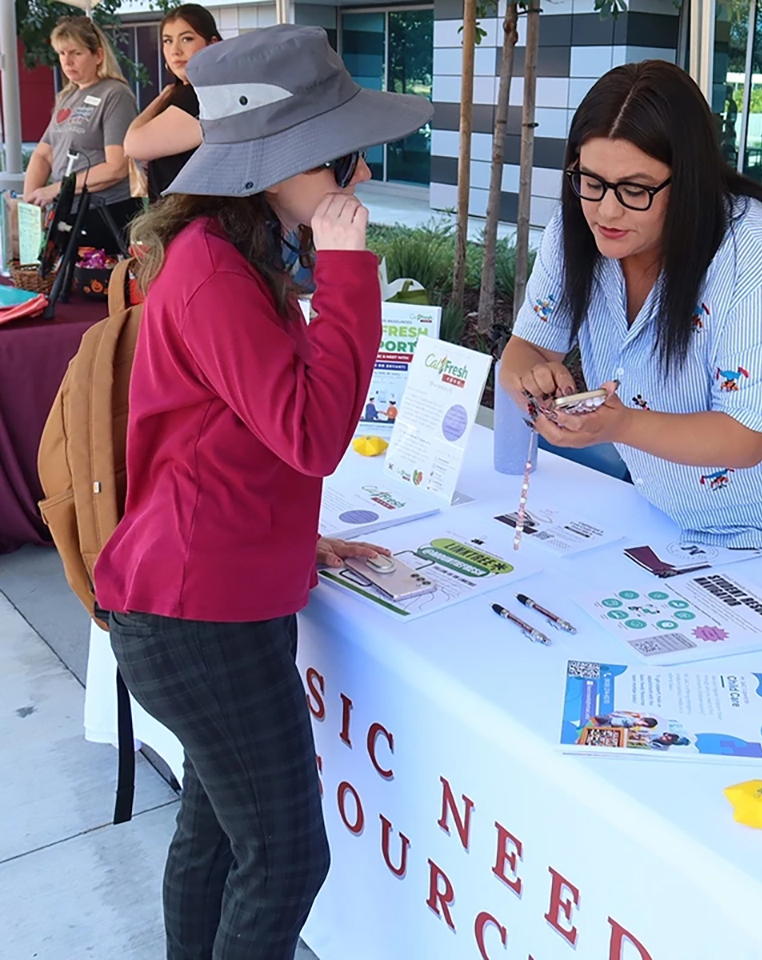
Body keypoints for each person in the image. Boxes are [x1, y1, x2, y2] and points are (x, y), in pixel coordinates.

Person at [92, 25, 432, 960]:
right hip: (198, 611)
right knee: (283, 860)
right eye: (346, 155)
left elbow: (227, 441)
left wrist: (295, 538)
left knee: (215, 834)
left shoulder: (230, 255)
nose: (358, 176)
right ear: (289, 159)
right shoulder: (212, 269)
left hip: (206, 589)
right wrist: (352, 274)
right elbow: (314, 435)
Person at [499, 60, 762, 561]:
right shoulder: (576, 229)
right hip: (665, 508)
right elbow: (527, 348)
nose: (607, 211)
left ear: (690, 180)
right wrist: (534, 383)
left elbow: (746, 436)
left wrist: (617, 425)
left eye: (635, 190)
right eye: (591, 181)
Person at [23, 17, 140, 237]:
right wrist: (30, 202)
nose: (67, 62)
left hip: (105, 213)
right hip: (67, 211)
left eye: (76, 53)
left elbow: (116, 167)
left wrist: (56, 189)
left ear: (98, 55)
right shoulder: (67, 97)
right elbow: (44, 154)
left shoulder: (114, 94)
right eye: (62, 53)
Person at [124, 5, 221, 202]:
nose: (175, 50)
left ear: (212, 44)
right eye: (167, 41)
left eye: (187, 39)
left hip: (190, 219)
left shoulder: (198, 96)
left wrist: (161, 99)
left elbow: (132, 144)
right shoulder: (208, 91)